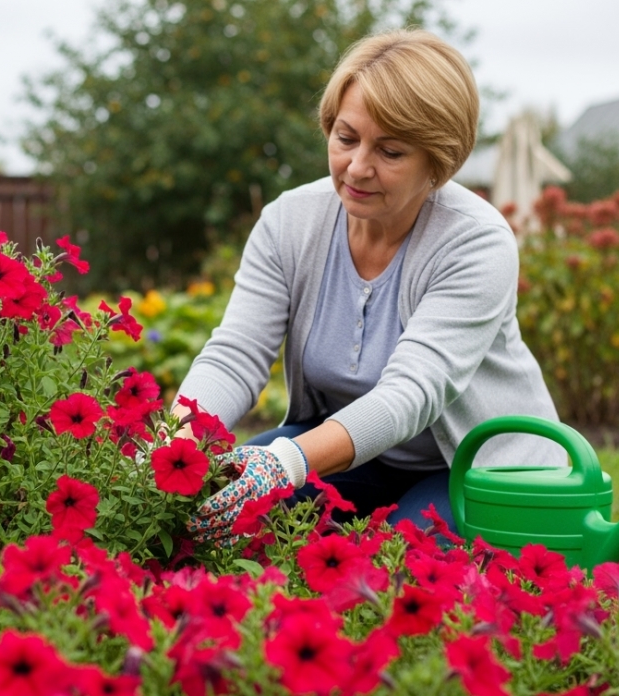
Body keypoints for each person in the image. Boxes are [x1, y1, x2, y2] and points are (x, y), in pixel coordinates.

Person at [176, 28, 565, 546]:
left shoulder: (476, 241)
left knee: (402, 558)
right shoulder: (290, 222)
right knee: (213, 498)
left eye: (391, 151)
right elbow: (235, 355)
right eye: (345, 137)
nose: (358, 168)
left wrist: (286, 461)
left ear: (439, 160)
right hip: (360, 457)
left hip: (473, 469)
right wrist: (172, 447)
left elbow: (410, 395)